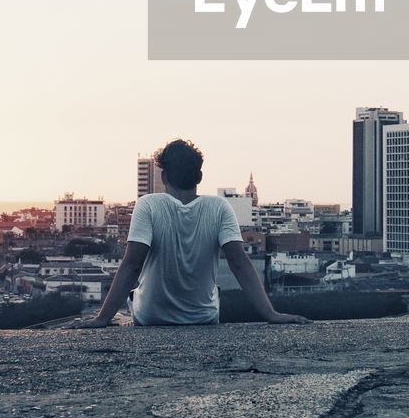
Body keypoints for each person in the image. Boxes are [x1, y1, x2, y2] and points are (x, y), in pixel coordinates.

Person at [68, 139, 308, 328]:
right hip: (202, 317)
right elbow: (239, 263)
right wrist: (270, 314)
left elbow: (131, 265)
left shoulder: (148, 205)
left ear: (163, 177)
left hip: (151, 317)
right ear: (199, 176)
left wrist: (102, 318)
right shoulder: (219, 207)